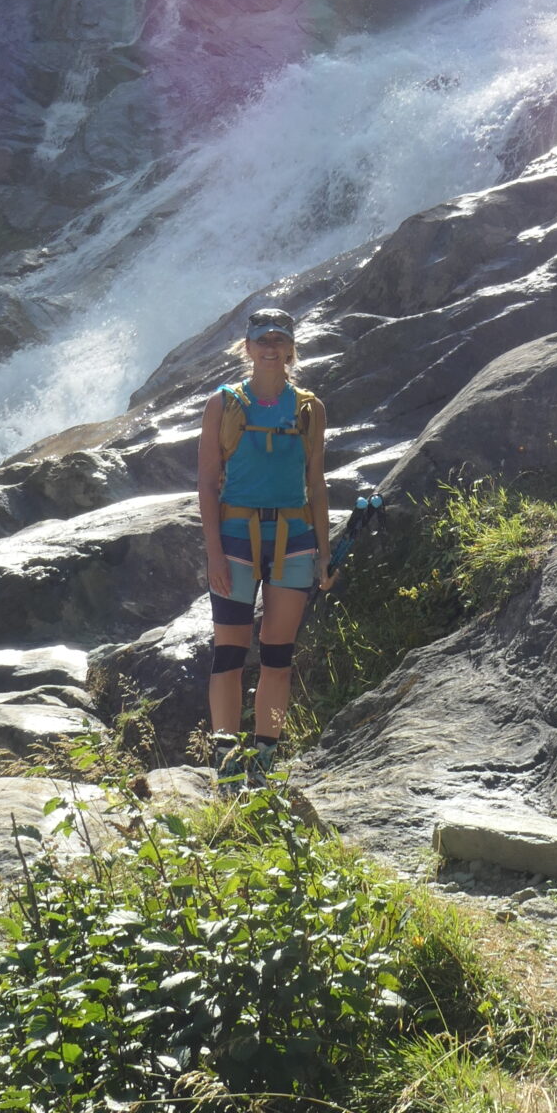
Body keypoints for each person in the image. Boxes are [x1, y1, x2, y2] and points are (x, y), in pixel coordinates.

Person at [197, 305, 330, 783]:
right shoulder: (224, 403)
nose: (271, 348)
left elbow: (316, 483)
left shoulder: (309, 408)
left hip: (294, 539)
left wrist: (325, 549)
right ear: (248, 348)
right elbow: (208, 483)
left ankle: (264, 764)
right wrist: (213, 553)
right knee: (229, 653)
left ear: (291, 348)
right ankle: (227, 766)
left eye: (279, 340)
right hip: (234, 539)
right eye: (262, 340)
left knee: (278, 656)